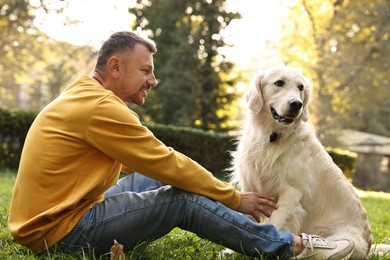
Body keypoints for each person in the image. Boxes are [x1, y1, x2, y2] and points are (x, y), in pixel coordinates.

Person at [8, 31, 355, 259]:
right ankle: (287, 245)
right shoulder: (101, 107)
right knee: (181, 198)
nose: (152, 80)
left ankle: (244, 227)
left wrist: (207, 192)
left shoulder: (84, 93)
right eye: (145, 71)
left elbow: (143, 166)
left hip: (57, 217)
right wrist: (234, 198)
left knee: (167, 180)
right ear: (115, 66)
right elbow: (166, 162)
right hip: (61, 232)